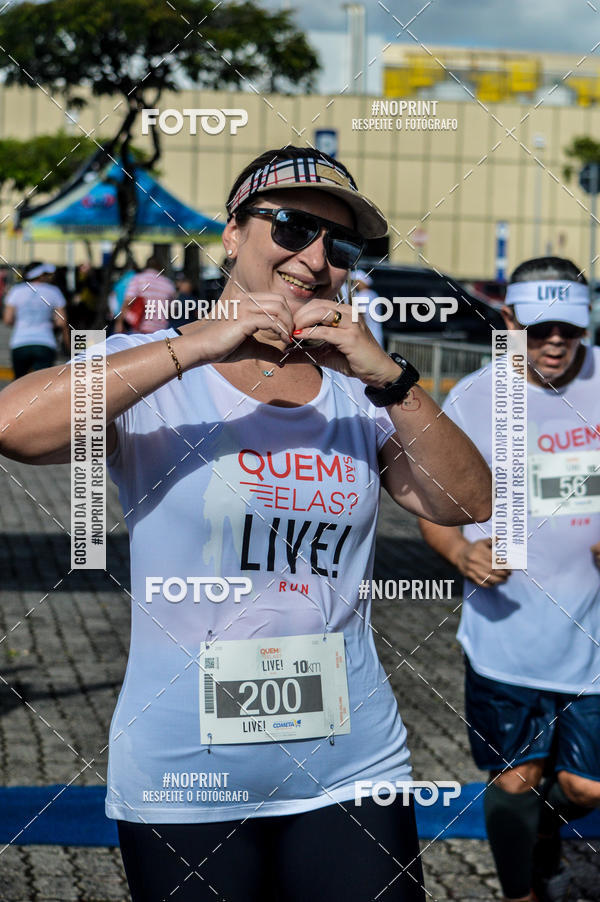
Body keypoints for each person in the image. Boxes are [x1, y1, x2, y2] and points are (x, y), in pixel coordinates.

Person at [0, 146, 492, 902]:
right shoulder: (154, 369)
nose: (316, 257)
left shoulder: (360, 393)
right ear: (233, 235)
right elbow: (16, 426)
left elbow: (465, 502)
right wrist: (197, 345)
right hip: (186, 775)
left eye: (341, 245)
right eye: (292, 227)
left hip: (349, 765)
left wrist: (390, 376)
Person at [418, 256, 600, 902]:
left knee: (587, 787)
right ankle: (521, 892)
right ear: (509, 319)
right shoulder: (474, 398)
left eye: (570, 330)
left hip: (593, 639)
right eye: (540, 328)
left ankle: (541, 837)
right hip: (509, 635)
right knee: (516, 779)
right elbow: (435, 512)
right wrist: (461, 555)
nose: (556, 343)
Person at [2, 262, 69, 379]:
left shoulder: (16, 291)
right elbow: (62, 322)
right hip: (45, 342)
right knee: (42, 385)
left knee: (19, 384)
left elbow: (7, 319)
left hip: (19, 342)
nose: (50, 277)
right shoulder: (54, 291)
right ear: (41, 275)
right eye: (47, 274)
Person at [115, 254, 175, 333]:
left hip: (139, 327)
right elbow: (172, 310)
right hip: (160, 330)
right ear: (160, 267)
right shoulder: (168, 284)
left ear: (146, 266)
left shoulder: (138, 279)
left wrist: (119, 323)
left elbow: (127, 302)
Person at [342, 268, 385, 346]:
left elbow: (359, 315)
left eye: (356, 281)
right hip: (374, 334)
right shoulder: (373, 294)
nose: (354, 283)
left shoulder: (365, 295)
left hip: (368, 335)